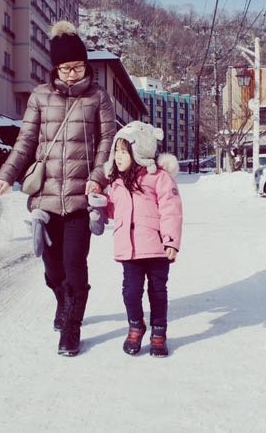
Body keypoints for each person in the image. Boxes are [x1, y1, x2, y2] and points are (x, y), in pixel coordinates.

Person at [0, 20, 116, 357]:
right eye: (65, 68)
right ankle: (63, 301)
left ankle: (72, 327)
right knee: (53, 270)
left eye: (77, 67)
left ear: (85, 65)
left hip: (80, 200)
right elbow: (26, 142)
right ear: (56, 68)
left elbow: (108, 141)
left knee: (75, 267)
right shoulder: (40, 96)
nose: (72, 74)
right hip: (45, 201)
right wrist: (7, 175)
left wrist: (98, 176)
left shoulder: (98, 97)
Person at [103, 121, 183, 357]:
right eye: (115, 151)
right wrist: (99, 204)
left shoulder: (158, 177)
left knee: (157, 292)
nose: (118, 156)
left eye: (123, 151)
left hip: (157, 248)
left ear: (138, 151)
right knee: (130, 292)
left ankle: (159, 332)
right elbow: (114, 212)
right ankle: (136, 325)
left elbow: (171, 208)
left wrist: (170, 240)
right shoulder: (115, 182)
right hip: (129, 250)